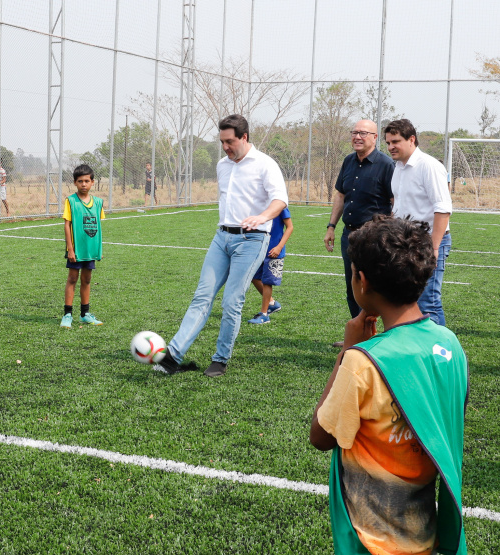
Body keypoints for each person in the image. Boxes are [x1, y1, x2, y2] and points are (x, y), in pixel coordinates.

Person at [310, 215, 468, 555]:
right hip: (425, 534)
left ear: (362, 281)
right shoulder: (450, 344)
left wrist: (348, 351)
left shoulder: (362, 362)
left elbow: (321, 436)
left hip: (370, 540)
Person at [155, 114, 287, 377]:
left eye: (230, 142)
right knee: (201, 297)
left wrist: (262, 217)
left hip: (252, 240)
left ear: (244, 137)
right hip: (222, 237)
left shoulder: (265, 164)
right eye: (222, 142)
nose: (225, 147)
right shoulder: (222, 165)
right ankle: (173, 356)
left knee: (231, 302)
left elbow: (280, 200)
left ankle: (220, 359)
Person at [324, 119, 394, 346]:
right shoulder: (348, 161)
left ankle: (383, 339)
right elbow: (341, 195)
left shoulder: (386, 164)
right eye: (354, 132)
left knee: (376, 288)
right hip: (349, 236)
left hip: (375, 237)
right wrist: (331, 226)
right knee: (353, 287)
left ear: (375, 137)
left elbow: (394, 201)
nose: (357, 137)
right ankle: (360, 337)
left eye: (363, 133)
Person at [384, 118, 452, 326]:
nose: (391, 147)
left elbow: (443, 209)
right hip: (406, 242)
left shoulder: (429, 166)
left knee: (428, 302)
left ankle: (440, 347)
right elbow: (399, 206)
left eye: (396, 141)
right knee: (407, 301)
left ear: (411, 139)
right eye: (388, 143)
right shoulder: (398, 167)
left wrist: (434, 247)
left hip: (428, 242)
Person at [61, 164, 106, 328]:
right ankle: (67, 315)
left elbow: (97, 228)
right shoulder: (71, 201)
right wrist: (70, 249)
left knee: (87, 280)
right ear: (75, 182)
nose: (84, 184)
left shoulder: (98, 203)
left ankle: (85, 314)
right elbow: (67, 225)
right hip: (76, 250)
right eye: (80, 181)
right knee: (72, 279)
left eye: (87, 181)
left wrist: (98, 249)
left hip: (90, 250)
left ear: (92, 182)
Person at [246, 207, 293, 324]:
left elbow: (290, 227)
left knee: (267, 282)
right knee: (253, 276)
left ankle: (264, 315)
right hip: (259, 248)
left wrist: (279, 247)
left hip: (274, 251)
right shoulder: (259, 205)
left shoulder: (280, 206)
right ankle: (271, 303)